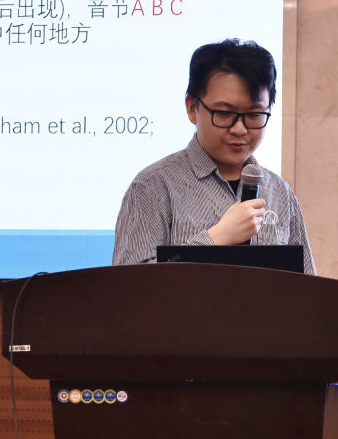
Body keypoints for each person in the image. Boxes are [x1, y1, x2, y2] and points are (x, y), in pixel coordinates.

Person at [112, 38, 316, 274]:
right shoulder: (153, 187)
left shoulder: (279, 192)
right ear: (192, 108)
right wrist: (214, 239)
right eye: (224, 113)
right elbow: (129, 286)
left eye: (254, 114)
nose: (239, 129)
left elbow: (308, 285)